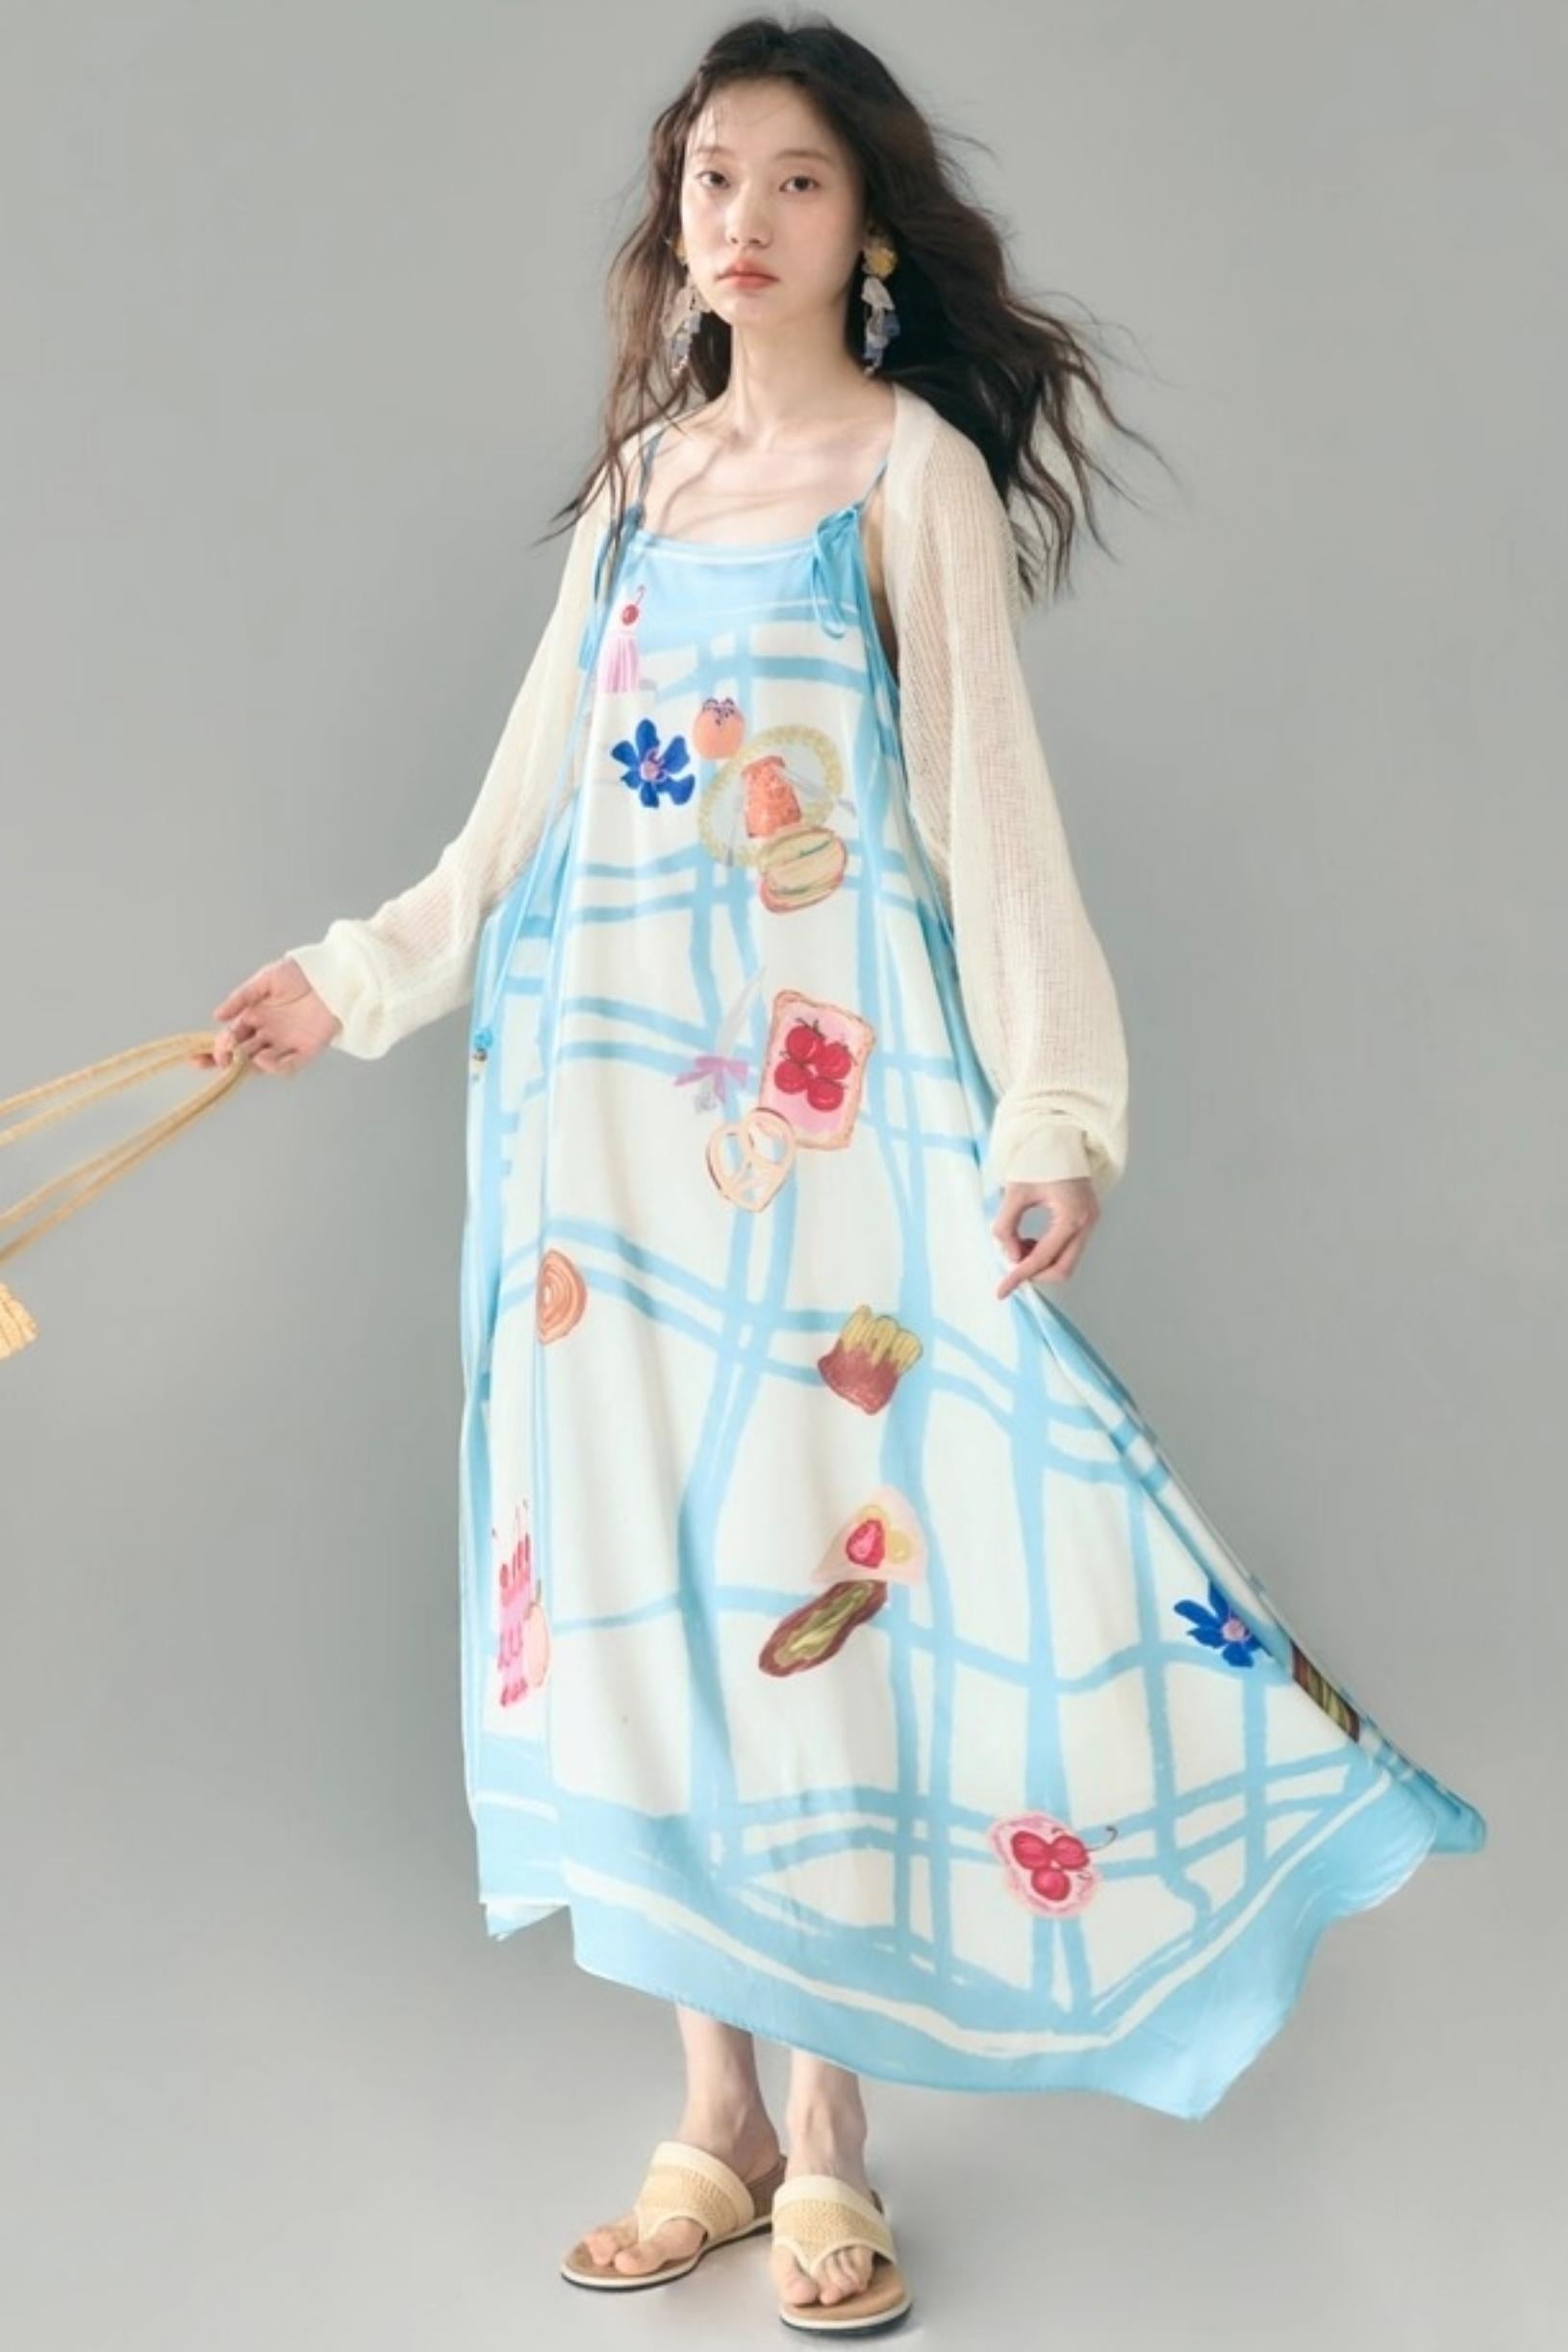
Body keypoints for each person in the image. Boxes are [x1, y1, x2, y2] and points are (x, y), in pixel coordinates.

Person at [200, 14, 1486, 2335]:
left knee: (816, 1584)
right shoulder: (640, 484)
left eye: (792, 179)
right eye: (712, 175)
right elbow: (519, 809)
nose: (743, 217)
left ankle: (827, 2138)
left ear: (865, 225)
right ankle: (705, 2118)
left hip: (828, 1137)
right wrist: (347, 978)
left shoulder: (906, 475)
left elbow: (989, 807)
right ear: (674, 213)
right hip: (598, 1131)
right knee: (646, 1595)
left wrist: (1050, 1109)